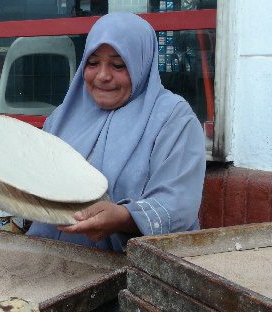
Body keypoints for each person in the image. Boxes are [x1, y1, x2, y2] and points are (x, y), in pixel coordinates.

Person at [26, 12, 206, 252]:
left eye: (118, 65)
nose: (102, 76)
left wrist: (124, 217)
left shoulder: (174, 119)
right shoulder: (63, 116)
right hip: (52, 261)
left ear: (141, 63)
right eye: (92, 63)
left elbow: (178, 204)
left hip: (132, 272)